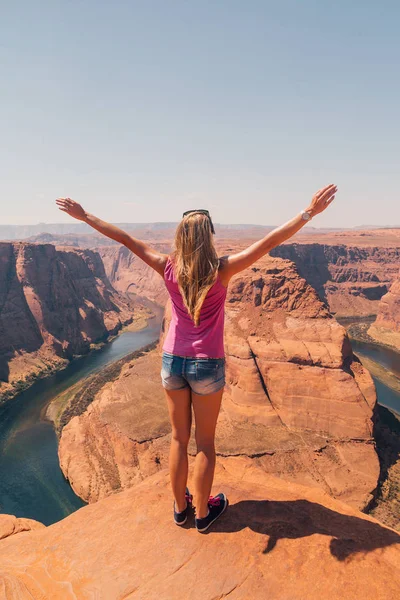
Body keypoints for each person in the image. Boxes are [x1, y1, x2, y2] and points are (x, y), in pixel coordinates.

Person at [56, 183, 336, 532]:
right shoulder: (223, 269)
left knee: (177, 438)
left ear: (181, 237)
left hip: (172, 360)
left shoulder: (166, 266)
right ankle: (203, 513)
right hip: (207, 365)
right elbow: (270, 242)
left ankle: (179, 508)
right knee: (204, 443)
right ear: (209, 236)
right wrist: (308, 213)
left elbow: (124, 239)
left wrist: (84, 217)